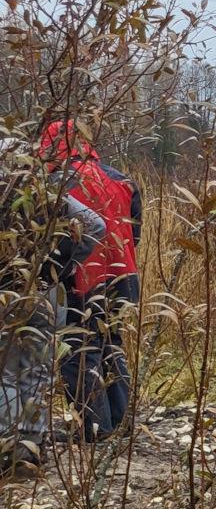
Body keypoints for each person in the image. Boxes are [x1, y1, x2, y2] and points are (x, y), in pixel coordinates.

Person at [0, 136, 104, 467]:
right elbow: (95, 226)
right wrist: (61, 266)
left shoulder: (4, 195)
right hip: (46, 293)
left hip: (7, 292)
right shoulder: (49, 192)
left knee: (6, 374)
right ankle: (29, 450)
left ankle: (9, 452)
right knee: (35, 372)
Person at [38, 123, 139, 440]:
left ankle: (94, 428)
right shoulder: (122, 178)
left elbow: (49, 239)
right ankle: (120, 423)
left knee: (79, 350)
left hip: (84, 277)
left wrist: (50, 273)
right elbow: (134, 233)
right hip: (125, 275)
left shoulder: (54, 184)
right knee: (111, 342)